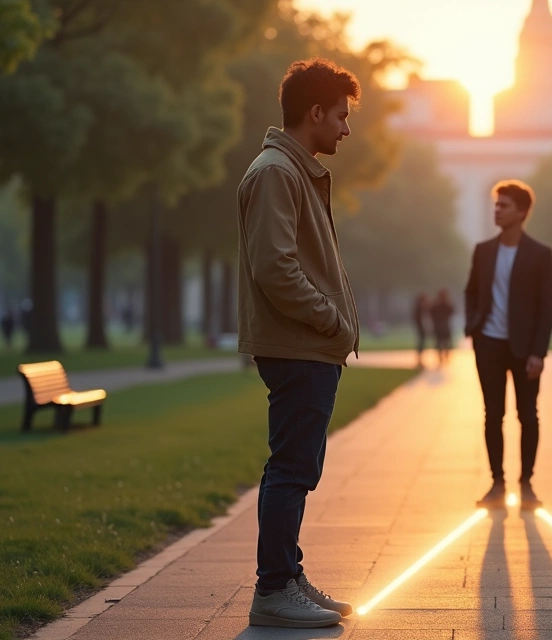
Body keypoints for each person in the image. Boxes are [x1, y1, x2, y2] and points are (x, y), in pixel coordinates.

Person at [236, 57, 361, 629]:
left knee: (298, 466)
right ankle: (273, 587)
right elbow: (276, 268)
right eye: (340, 115)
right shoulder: (275, 173)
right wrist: (331, 320)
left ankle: (287, 575)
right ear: (314, 111)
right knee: (291, 468)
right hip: (298, 344)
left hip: (306, 344)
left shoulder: (293, 170)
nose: (345, 128)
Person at [464, 180, 552, 512]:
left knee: (527, 415)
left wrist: (538, 353)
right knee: (493, 415)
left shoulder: (540, 254)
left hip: (524, 348)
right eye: (496, 205)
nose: (497, 210)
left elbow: (547, 307)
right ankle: (497, 483)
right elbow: (471, 291)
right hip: (488, 344)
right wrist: (472, 326)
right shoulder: (484, 251)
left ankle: (526, 484)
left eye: (503, 206)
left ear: (521, 212)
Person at [430, 288, 455, 366]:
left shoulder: (436, 305)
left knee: (442, 342)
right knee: (444, 342)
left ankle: (442, 356)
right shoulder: (445, 305)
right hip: (443, 326)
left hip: (441, 326)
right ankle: (443, 356)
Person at [413, 292, 430, 368]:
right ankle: (419, 360)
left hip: (421, 327)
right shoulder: (419, 308)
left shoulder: (419, 308)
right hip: (421, 328)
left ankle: (420, 359)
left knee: (421, 343)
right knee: (421, 343)